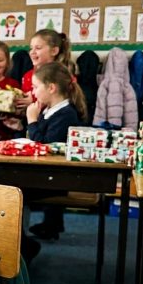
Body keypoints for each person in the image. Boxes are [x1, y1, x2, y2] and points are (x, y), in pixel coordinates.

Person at [23, 62, 87, 258]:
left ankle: (23, 246)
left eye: (35, 87)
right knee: (6, 186)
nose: (32, 92)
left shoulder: (66, 114)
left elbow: (45, 147)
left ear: (51, 88)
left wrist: (32, 121)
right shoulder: (50, 110)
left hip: (56, 178)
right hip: (45, 175)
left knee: (11, 190)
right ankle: (20, 241)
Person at [21, 29, 72, 112]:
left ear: (54, 51)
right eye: (31, 48)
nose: (32, 52)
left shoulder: (62, 76)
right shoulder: (27, 76)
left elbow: (61, 104)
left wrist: (33, 102)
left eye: (38, 48)